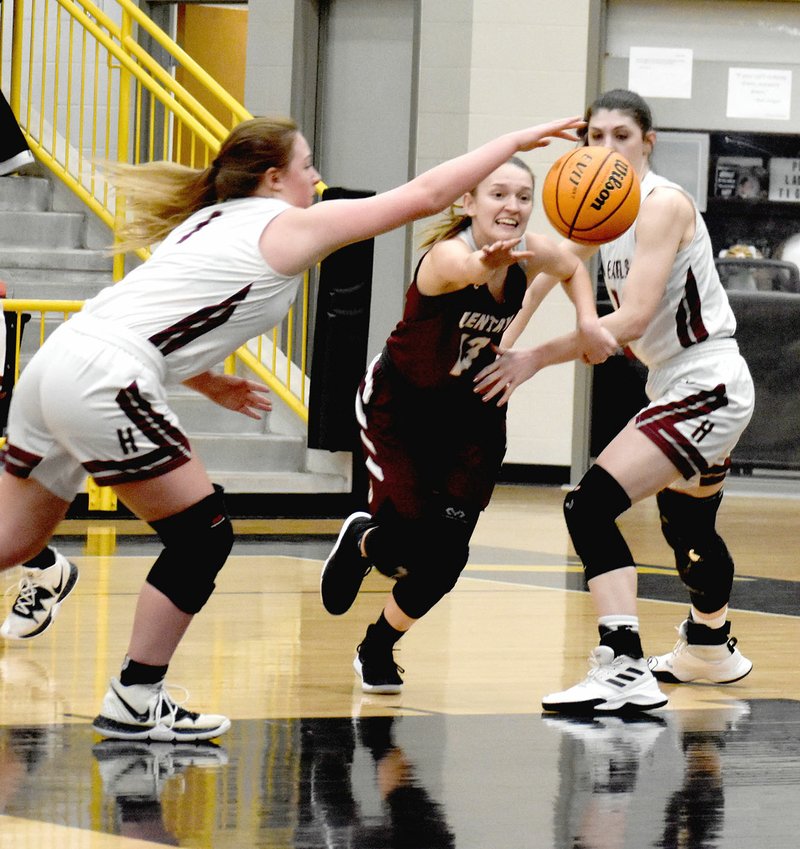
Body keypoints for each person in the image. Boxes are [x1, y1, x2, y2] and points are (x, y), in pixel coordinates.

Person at [0, 113, 588, 740]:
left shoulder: (207, 220)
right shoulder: (292, 226)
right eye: (308, 165)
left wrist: (207, 379)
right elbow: (425, 197)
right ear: (276, 178)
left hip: (57, 363)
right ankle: (136, 699)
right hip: (103, 375)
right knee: (202, 538)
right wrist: (515, 141)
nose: (318, 177)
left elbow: (154, 306)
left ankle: (133, 693)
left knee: (13, 543)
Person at [475, 89, 755, 714]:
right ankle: (710, 646)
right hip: (685, 384)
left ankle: (623, 665)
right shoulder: (599, 214)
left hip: (705, 382)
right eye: (594, 137)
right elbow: (546, 276)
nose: (604, 150)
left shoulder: (661, 206)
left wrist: (530, 362)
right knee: (689, 525)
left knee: (588, 505)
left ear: (647, 142)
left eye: (620, 136)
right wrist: (502, 343)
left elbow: (628, 320)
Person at [319, 155, 617, 694]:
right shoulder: (447, 255)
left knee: (447, 559)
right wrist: (488, 263)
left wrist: (588, 322)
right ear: (467, 202)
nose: (513, 206)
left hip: (473, 420)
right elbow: (466, 271)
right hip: (400, 412)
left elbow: (572, 266)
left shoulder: (531, 251)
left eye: (523, 196)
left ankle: (378, 645)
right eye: (499, 194)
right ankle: (362, 540)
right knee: (409, 546)